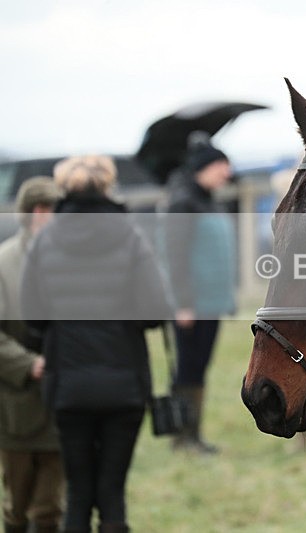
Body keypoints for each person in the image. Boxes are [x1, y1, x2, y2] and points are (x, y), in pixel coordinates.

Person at [20, 155, 172, 533]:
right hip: (125, 384)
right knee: (112, 491)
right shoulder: (131, 238)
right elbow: (156, 312)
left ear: (63, 188)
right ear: (107, 186)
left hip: (67, 384)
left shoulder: (44, 241)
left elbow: (32, 317)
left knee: (77, 491)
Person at [163, 134, 236, 454]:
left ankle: (193, 434)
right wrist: (183, 303)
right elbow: (175, 257)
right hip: (192, 304)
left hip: (210, 303)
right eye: (221, 166)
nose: (226, 173)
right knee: (188, 368)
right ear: (203, 168)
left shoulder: (208, 199)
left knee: (199, 366)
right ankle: (183, 436)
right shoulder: (183, 202)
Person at [0, 177, 64, 533]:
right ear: (38, 212)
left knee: (50, 509)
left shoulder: (71, 262)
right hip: (17, 405)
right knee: (16, 507)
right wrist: (28, 364)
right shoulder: (4, 263)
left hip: (62, 402)